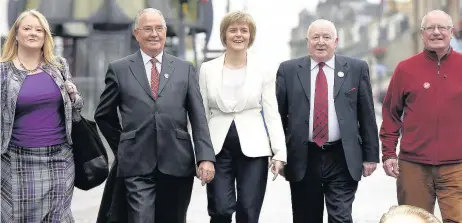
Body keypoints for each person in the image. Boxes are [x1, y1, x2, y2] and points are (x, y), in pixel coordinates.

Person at [94, 8, 216, 223]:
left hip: (177, 161)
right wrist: (123, 144)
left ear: (166, 32)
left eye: (159, 28)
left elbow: (198, 117)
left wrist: (205, 156)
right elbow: (103, 114)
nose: (154, 34)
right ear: (136, 33)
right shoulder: (119, 69)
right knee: (141, 218)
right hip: (136, 163)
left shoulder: (184, 69)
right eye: (148, 28)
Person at [276, 19, 379, 223]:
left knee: (341, 218)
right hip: (304, 157)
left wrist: (371, 156)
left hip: (342, 156)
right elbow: (278, 116)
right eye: (315, 37)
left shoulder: (356, 68)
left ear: (336, 41)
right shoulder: (288, 71)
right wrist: (278, 153)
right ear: (307, 42)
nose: (321, 42)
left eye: (326, 37)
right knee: (306, 218)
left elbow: (366, 114)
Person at [199, 11, 286, 223]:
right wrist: (201, 155)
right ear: (224, 35)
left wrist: (279, 152)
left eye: (244, 30)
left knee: (248, 211)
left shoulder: (263, 68)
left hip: (254, 149)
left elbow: (272, 112)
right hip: (217, 149)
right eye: (233, 30)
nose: (239, 35)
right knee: (220, 209)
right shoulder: (207, 69)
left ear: (251, 36)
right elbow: (200, 114)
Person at [0, 9, 83, 222]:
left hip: (60, 158)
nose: (33, 33)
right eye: (27, 28)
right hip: (17, 160)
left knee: (59, 217)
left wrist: (74, 95)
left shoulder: (59, 66)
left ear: (45, 36)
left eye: (39, 30)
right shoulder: (3, 72)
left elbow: (76, 110)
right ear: (16, 35)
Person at [380, 10, 462, 223]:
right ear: (422, 34)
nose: (436, 32)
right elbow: (391, 114)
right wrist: (389, 153)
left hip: (457, 167)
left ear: (451, 32)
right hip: (413, 167)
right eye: (430, 28)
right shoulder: (405, 69)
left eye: (442, 28)